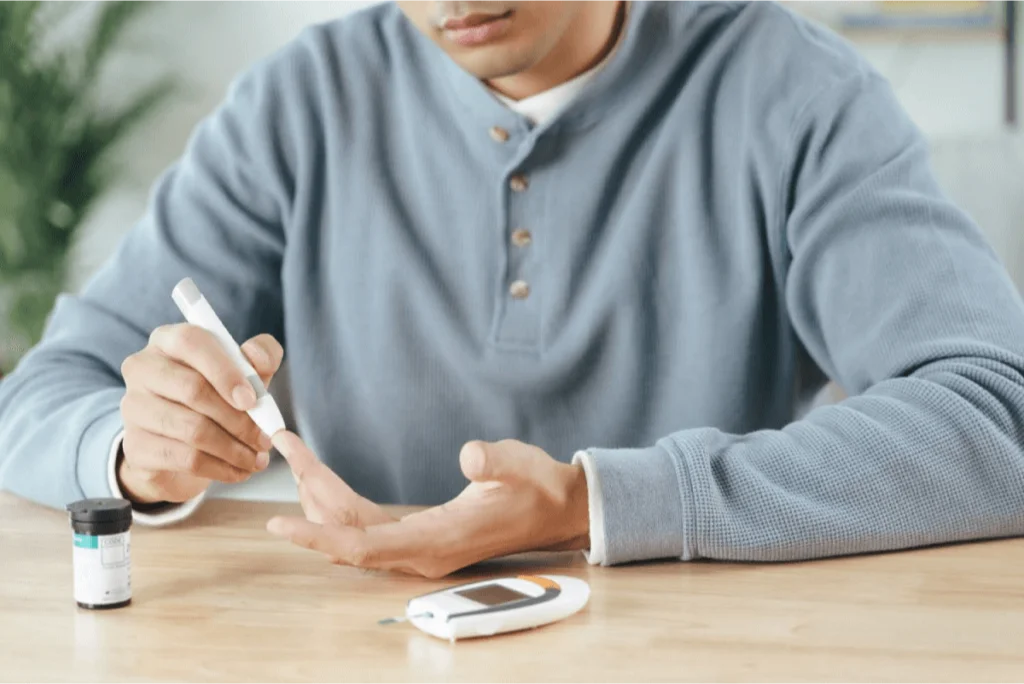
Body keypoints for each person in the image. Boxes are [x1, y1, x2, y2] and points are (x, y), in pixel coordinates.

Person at [2, 0, 1024, 579]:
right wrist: (137, 449)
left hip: (705, 648)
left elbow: (997, 413)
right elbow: (40, 399)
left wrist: (598, 502)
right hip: (372, 649)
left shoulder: (794, 90)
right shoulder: (299, 104)